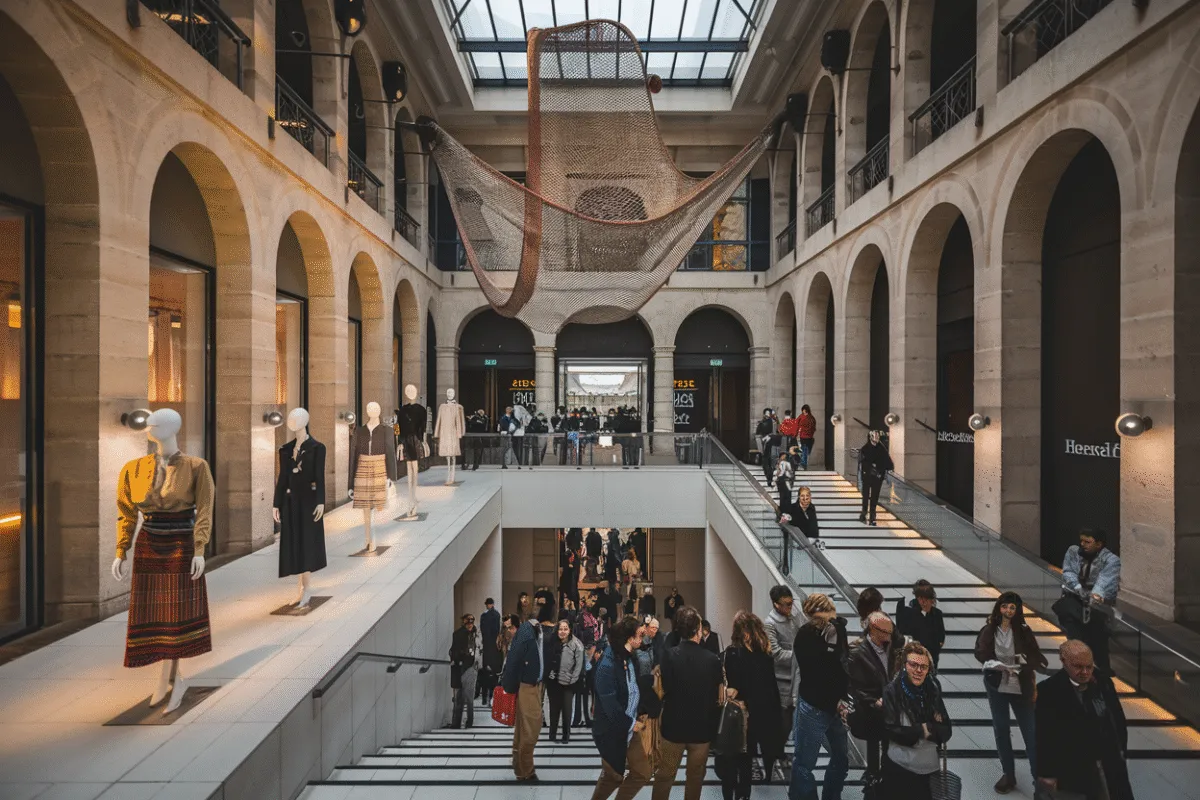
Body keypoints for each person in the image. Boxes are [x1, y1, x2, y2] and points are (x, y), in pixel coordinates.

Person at [1036, 640, 1133, 800]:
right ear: (1064, 661)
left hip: (1109, 759)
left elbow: (1117, 718)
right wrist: (1047, 772)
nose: (1085, 672)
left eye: (1089, 666)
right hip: (1075, 764)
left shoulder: (1103, 682)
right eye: (1078, 667)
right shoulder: (1049, 691)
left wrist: (1121, 750)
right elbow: (1044, 734)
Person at [974, 591, 1047, 794]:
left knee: (1030, 732)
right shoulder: (989, 630)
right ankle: (1008, 774)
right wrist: (994, 663)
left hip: (1020, 685)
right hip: (997, 684)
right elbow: (980, 652)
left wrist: (1022, 663)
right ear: (999, 607)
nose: (1008, 611)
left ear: (1017, 610)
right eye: (1005, 606)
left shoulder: (1023, 631)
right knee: (1001, 729)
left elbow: (1034, 657)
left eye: (1012, 607)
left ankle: (1038, 779)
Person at [654, 606, 724, 800]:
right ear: (698, 630)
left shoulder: (668, 656)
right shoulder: (712, 660)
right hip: (702, 728)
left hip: (673, 726)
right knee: (695, 778)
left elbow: (666, 687)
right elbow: (716, 694)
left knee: (665, 776)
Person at [590, 615, 663, 800]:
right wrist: (631, 724)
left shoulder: (629, 658)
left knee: (642, 773)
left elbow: (634, 688)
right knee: (612, 777)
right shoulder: (607, 665)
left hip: (630, 726)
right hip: (612, 730)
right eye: (640, 634)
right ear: (630, 638)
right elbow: (610, 706)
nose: (643, 636)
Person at [716, 611, 784, 800]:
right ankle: (743, 795)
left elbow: (734, 686)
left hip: (741, 714)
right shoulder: (764, 654)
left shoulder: (733, 652)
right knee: (746, 758)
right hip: (758, 714)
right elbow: (769, 686)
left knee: (735, 759)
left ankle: (732, 795)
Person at [789, 593, 850, 800]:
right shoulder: (825, 633)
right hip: (820, 705)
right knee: (829, 759)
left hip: (817, 702)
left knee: (806, 762)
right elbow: (834, 667)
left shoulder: (811, 634)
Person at [880, 642, 952, 799]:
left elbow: (946, 730)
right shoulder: (892, 691)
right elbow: (892, 731)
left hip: (928, 767)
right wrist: (925, 729)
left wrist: (920, 730)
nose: (919, 670)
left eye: (924, 667)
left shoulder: (932, 689)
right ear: (904, 665)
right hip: (899, 766)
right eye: (914, 665)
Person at [1057, 528, 1121, 675]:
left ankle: (1100, 669)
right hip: (1074, 600)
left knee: (1098, 637)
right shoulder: (1074, 551)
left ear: (1099, 544)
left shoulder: (1111, 560)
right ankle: (1076, 665)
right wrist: (1078, 588)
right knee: (1075, 636)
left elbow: (1105, 581)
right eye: (1082, 541)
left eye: (1087, 542)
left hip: (1097, 606)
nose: (1083, 544)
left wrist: (1093, 595)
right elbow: (1068, 571)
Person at [501, 604, 552, 781]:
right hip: (527, 686)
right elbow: (513, 660)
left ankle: (519, 765)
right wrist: (509, 687)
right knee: (532, 728)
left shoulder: (533, 630)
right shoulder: (526, 632)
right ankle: (526, 770)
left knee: (523, 729)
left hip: (533, 685)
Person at [848, 611, 900, 784]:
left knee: (889, 744)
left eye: (890, 632)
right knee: (874, 742)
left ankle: (885, 775)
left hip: (890, 705)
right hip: (871, 709)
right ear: (873, 630)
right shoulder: (857, 652)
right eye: (885, 632)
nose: (889, 636)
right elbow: (856, 686)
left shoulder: (891, 647)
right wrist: (874, 701)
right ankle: (872, 776)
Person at [764, 584, 801, 779]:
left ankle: (779, 750)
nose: (789, 607)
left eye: (791, 603)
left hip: (798, 677)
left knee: (791, 721)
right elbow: (775, 653)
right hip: (783, 680)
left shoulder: (794, 617)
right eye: (786, 604)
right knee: (784, 721)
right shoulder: (770, 623)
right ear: (776, 604)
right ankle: (775, 751)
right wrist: (800, 655)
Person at [546, 618, 585, 744]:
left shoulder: (577, 644)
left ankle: (565, 736)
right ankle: (552, 735)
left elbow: (579, 666)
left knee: (567, 710)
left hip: (569, 683)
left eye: (565, 629)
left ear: (570, 630)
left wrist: (572, 680)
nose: (562, 632)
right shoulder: (552, 642)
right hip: (554, 681)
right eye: (560, 629)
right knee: (554, 709)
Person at [895, 580, 945, 668]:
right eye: (921, 599)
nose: (924, 602)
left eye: (927, 599)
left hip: (931, 659)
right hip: (913, 659)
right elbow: (903, 634)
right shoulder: (909, 614)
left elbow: (941, 637)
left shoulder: (937, 614)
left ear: (932, 599)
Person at [857, 429, 893, 526]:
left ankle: (872, 517)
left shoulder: (881, 449)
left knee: (874, 497)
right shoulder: (865, 449)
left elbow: (888, 461)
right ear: (870, 437)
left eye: (878, 436)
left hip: (877, 477)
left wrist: (886, 469)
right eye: (875, 436)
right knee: (865, 496)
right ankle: (863, 514)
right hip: (867, 476)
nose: (877, 438)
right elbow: (862, 463)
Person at [449, 613, 479, 729]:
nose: (470, 624)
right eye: (468, 622)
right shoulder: (460, 634)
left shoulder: (476, 635)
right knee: (461, 698)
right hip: (463, 667)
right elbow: (454, 651)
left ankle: (462, 723)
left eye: (472, 621)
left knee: (465, 698)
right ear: (464, 622)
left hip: (467, 668)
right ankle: (461, 723)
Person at [480, 598, 502, 707]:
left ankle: (485, 698)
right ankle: (491, 698)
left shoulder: (484, 615)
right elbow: (497, 629)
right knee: (493, 674)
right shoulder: (497, 615)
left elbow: (483, 630)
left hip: (487, 647)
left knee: (486, 674)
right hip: (494, 647)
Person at [792, 486, 821, 551]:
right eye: (802, 495)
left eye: (807, 495)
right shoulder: (793, 508)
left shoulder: (811, 507)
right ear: (799, 497)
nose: (805, 498)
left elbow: (813, 525)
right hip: (797, 541)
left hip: (810, 540)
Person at [773, 451, 794, 523]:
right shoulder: (779, 464)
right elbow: (778, 473)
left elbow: (790, 473)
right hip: (782, 483)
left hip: (785, 482)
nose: (783, 457)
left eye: (784, 456)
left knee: (785, 499)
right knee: (783, 499)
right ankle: (783, 515)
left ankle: (784, 515)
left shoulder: (785, 463)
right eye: (783, 456)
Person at [796, 404, 817, 470]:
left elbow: (813, 427)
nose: (803, 411)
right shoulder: (801, 416)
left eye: (804, 410)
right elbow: (797, 423)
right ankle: (803, 463)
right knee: (804, 449)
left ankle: (803, 463)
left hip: (808, 436)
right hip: (803, 436)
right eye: (803, 410)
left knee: (806, 451)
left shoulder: (810, 417)